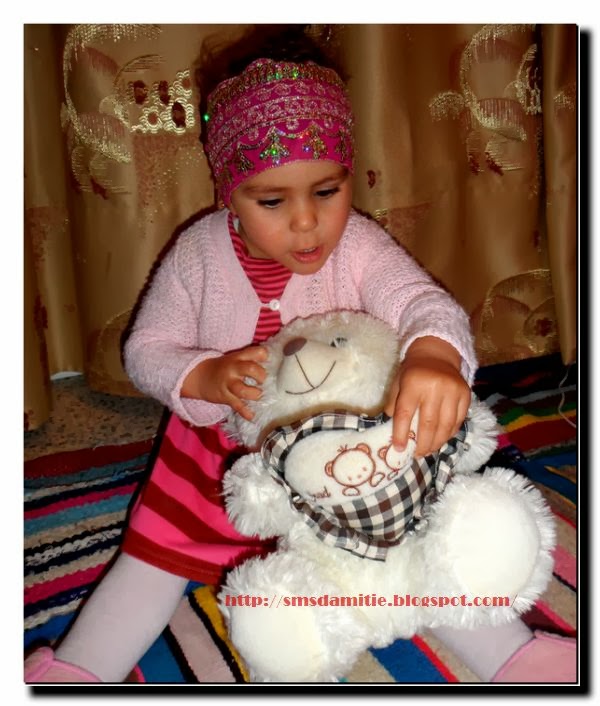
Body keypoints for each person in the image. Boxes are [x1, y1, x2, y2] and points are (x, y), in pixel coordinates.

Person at [24, 25, 575, 684]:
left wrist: (432, 353)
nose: (307, 222)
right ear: (228, 190)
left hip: (346, 457)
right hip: (215, 465)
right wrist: (202, 374)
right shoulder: (196, 254)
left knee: (411, 539)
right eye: (272, 201)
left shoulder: (360, 246)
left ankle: (516, 658)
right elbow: (145, 349)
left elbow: (421, 303)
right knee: (152, 557)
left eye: (327, 190)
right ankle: (78, 672)